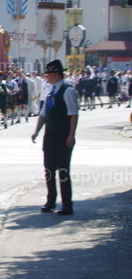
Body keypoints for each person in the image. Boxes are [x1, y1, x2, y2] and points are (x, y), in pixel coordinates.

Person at [31, 59, 79, 216]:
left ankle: (67, 204)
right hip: (50, 135)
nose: (46, 77)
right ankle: (51, 200)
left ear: (56, 74)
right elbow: (43, 114)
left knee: (63, 170)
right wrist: (37, 131)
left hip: (63, 135)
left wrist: (71, 134)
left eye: (48, 74)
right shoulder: (50, 92)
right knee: (49, 169)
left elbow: (73, 114)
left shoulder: (67, 90)